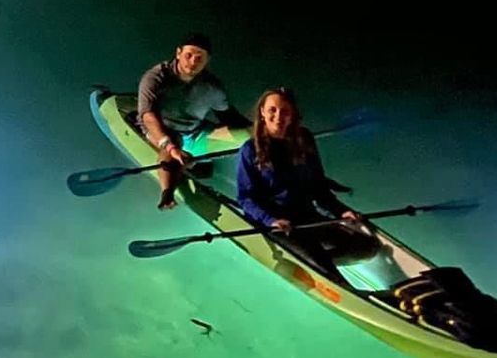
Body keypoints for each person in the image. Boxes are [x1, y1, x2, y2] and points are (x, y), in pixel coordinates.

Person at [236, 88, 371, 271]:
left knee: (367, 247)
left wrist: (341, 211)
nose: (278, 116)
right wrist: (270, 220)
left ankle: (311, 262)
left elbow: (318, 185)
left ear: (292, 115)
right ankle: (316, 263)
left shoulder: (304, 139)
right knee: (321, 263)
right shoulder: (250, 149)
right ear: (262, 112)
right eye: (272, 110)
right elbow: (245, 198)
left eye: (285, 111)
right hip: (279, 224)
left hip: (306, 216)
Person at [137, 33, 249, 210]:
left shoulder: (212, 87)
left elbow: (230, 117)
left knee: (248, 136)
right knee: (174, 143)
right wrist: (170, 147)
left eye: (200, 58)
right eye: (189, 55)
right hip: (162, 131)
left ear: (207, 61)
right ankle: (167, 193)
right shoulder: (156, 77)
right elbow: (147, 116)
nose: (193, 61)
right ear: (178, 53)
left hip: (195, 131)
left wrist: (261, 132)